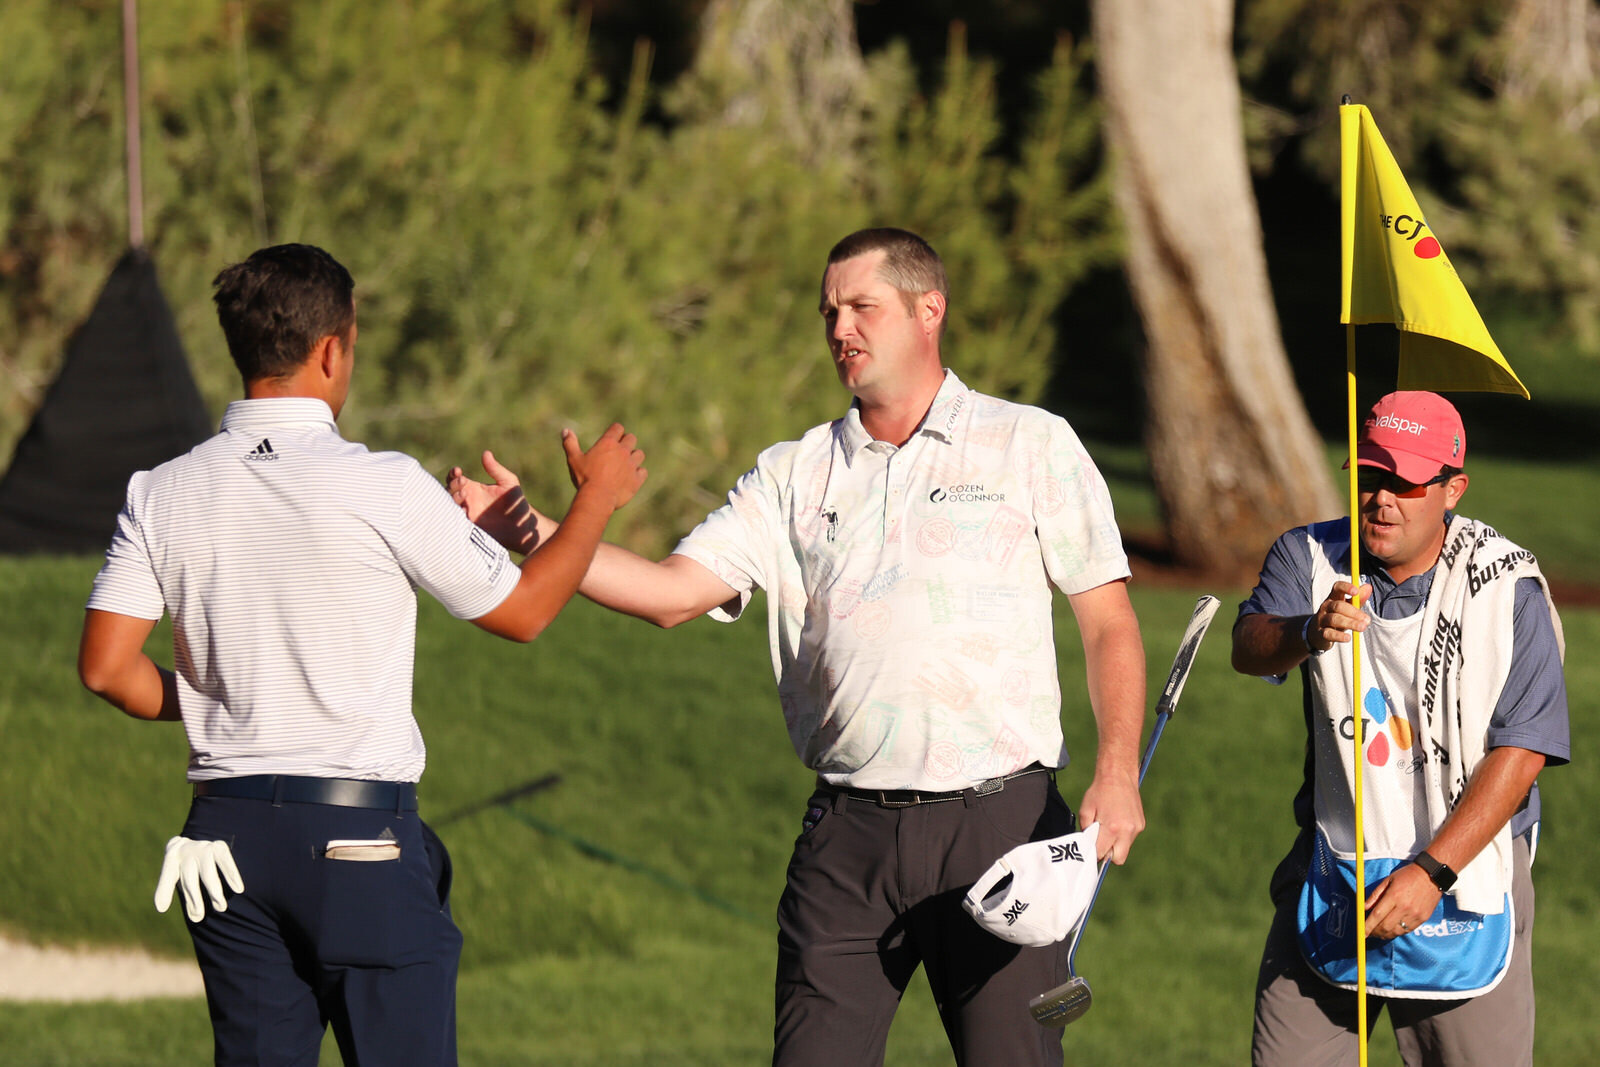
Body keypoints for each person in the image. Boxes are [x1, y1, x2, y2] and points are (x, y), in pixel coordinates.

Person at [450, 227, 1147, 1065]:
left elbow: (1108, 621)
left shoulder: (1028, 442)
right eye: (829, 311)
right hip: (846, 835)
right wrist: (531, 532)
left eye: (862, 306)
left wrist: (1115, 768)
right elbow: (672, 594)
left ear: (930, 310)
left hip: (998, 825)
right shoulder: (793, 471)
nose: (840, 328)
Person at [76, 243, 646, 1066]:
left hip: (221, 841)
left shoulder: (159, 490)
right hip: (358, 842)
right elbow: (524, 611)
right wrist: (595, 499)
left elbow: (105, 667)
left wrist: (214, 698)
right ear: (333, 349)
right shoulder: (381, 481)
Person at [1231, 391, 1568, 1067]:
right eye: (1370, 475)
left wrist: (1430, 872)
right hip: (1334, 866)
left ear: (1452, 489)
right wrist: (1308, 629)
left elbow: (1523, 750)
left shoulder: (1507, 588)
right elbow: (1248, 644)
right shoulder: (1308, 555)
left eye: (1406, 481)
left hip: (1465, 877)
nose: (1381, 497)